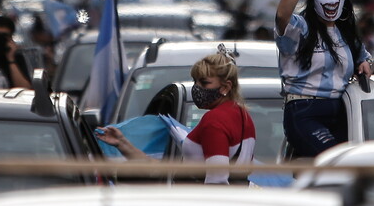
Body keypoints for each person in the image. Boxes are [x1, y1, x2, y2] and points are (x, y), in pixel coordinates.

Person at [96, 52, 256, 184]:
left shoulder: (214, 120)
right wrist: (122, 143)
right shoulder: (243, 116)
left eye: (204, 83)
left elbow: (217, 180)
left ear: (226, 87)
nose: (197, 88)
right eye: (195, 81)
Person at [275, 0, 374, 157]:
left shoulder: (346, 34)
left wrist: (366, 63)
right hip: (304, 110)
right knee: (333, 161)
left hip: (341, 112)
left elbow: (366, 59)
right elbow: (282, 16)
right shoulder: (302, 28)